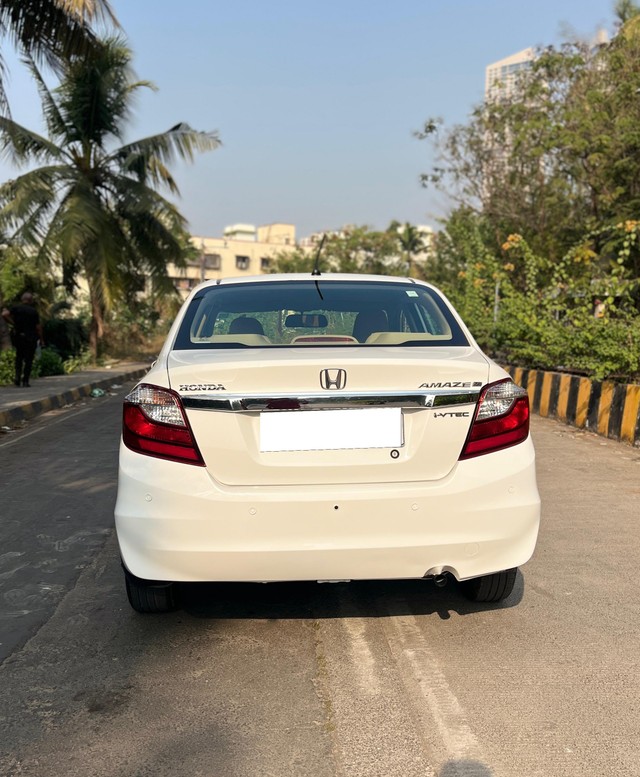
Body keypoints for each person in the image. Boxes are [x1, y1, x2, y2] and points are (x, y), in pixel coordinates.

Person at [1, 292, 44, 387]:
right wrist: (41, 339)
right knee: (29, 360)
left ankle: (17, 378)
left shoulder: (16, 308)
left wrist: (13, 323)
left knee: (19, 357)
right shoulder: (33, 311)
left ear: (22, 299)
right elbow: (38, 327)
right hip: (31, 337)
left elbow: (4, 314)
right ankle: (25, 381)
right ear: (30, 300)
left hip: (19, 336)